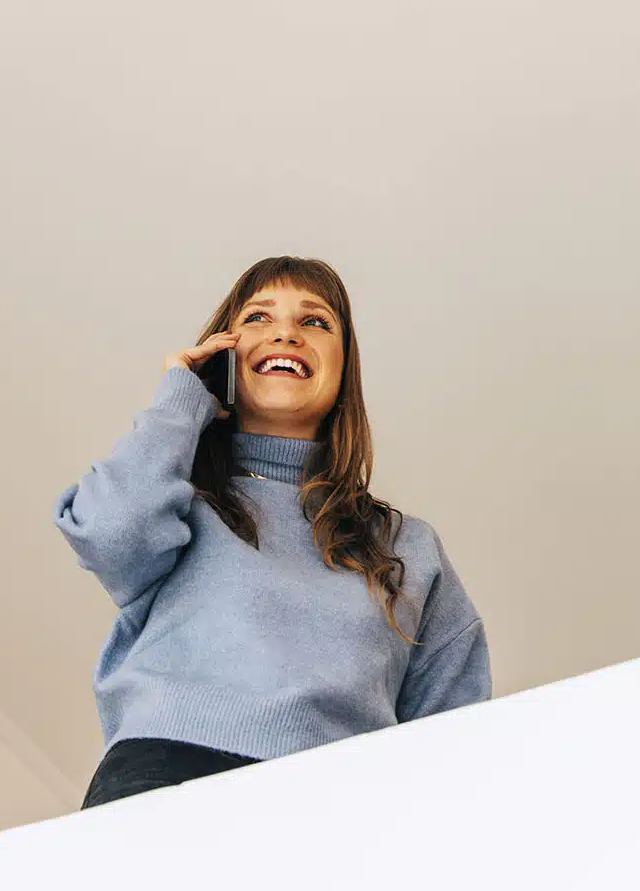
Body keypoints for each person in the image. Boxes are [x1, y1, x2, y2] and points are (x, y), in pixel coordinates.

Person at [55, 254, 492, 808]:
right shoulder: (176, 500)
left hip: (338, 805)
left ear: (344, 369)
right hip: (163, 774)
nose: (285, 333)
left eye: (315, 321)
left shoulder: (407, 547)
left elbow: (456, 739)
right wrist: (181, 398)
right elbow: (108, 532)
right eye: (258, 317)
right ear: (224, 355)